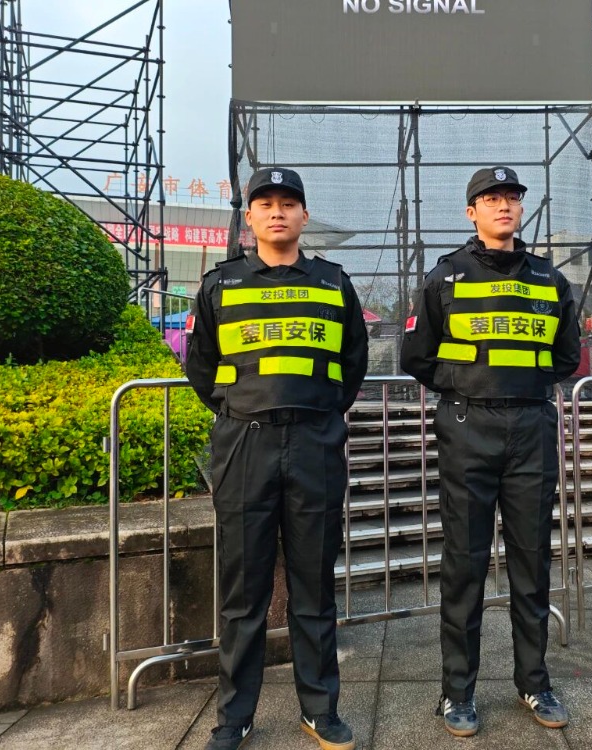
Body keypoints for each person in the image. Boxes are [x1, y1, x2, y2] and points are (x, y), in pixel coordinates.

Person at [186, 167, 369, 750]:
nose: (277, 212)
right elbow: (200, 365)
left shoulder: (333, 284)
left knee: (315, 587)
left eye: (289, 203)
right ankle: (234, 716)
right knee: (243, 594)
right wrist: (238, 409)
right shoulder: (221, 285)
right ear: (249, 216)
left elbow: (354, 362)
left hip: (315, 442)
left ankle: (320, 709)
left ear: (304, 216)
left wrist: (320, 411)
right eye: (265, 203)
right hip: (246, 444)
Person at [400, 166, 580, 738]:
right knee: (465, 564)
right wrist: (466, 386)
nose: (503, 205)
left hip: (531, 426)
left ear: (521, 209)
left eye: (511, 197)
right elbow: (416, 355)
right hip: (467, 427)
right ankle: (457, 692)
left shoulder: (550, 279)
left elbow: (567, 355)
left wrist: (519, 384)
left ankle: (534, 682)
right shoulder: (445, 277)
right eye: (490, 198)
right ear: (471, 212)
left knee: (532, 561)